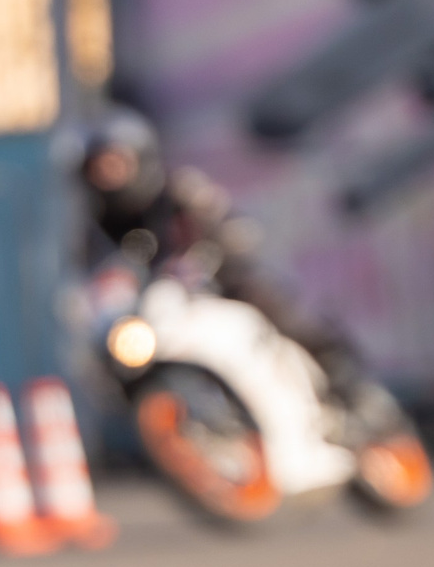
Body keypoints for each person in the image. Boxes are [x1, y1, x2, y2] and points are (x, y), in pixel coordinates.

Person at [79, 105, 371, 397]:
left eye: (117, 163)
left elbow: (220, 223)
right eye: (100, 167)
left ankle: (334, 367)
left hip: (214, 282)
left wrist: (209, 250)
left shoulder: (179, 191)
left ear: (141, 157)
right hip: (156, 306)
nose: (109, 173)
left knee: (260, 298)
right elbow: (102, 267)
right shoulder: (104, 219)